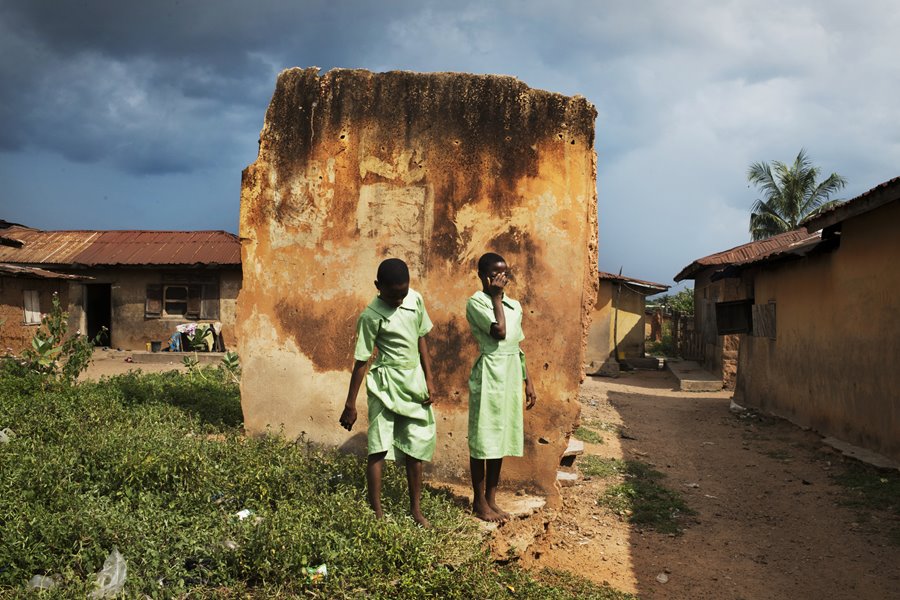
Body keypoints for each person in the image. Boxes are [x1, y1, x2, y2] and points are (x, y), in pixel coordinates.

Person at [340, 258, 436, 527]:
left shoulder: (414, 300)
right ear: (377, 287)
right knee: (379, 447)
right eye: (393, 295)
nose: (398, 300)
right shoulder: (370, 316)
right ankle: (377, 513)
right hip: (384, 384)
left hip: (413, 380)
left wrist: (429, 378)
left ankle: (416, 510)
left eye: (402, 293)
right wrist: (350, 404)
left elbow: (421, 338)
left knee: (416, 446)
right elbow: (362, 360)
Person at [466, 252, 536, 522]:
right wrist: (495, 297)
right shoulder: (477, 302)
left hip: (510, 374)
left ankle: (492, 500)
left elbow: (516, 344)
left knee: (501, 438)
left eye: (505, 273)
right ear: (484, 275)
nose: (502, 278)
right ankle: (478, 500)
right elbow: (499, 332)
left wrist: (528, 380)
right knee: (483, 438)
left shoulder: (514, 305)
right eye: (497, 274)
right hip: (489, 374)